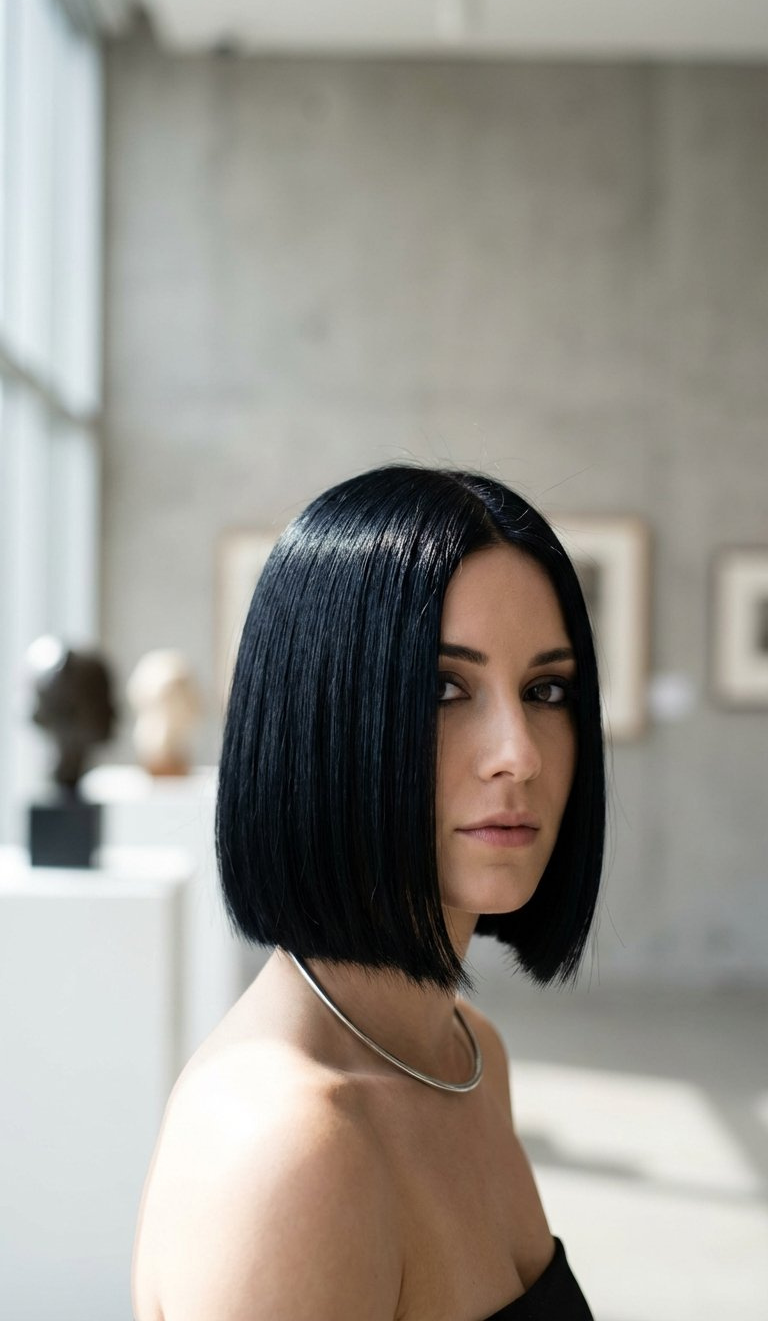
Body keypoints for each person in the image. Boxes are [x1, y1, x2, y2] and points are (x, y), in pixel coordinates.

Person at [131, 463, 605, 1321]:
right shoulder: (291, 1150)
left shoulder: (469, 1056)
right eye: (442, 688)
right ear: (323, 718)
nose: (519, 753)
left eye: (547, 690)